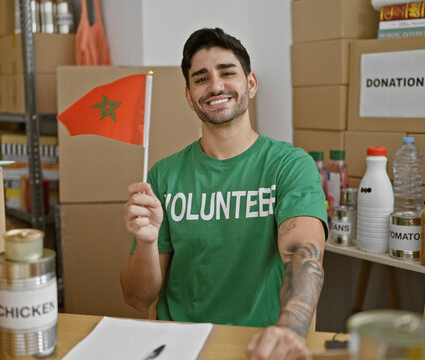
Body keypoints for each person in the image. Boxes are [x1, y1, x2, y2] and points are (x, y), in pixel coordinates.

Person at [121, 27, 328, 359]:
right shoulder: (163, 175)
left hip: (258, 346)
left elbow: (303, 255)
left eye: (227, 73)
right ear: (189, 97)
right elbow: (137, 298)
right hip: (179, 345)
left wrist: (288, 331)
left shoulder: (290, 165)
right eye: (201, 79)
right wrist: (146, 243)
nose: (215, 86)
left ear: (251, 83)